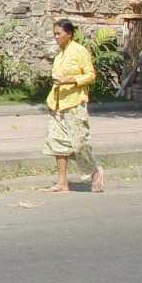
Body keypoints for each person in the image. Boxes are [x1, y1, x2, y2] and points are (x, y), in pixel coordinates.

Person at [43, 19, 104, 193]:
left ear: (69, 34)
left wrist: (71, 80)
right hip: (59, 104)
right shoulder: (60, 55)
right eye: (54, 34)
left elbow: (91, 75)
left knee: (79, 143)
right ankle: (62, 182)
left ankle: (94, 172)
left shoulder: (79, 51)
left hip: (75, 103)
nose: (56, 37)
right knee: (57, 142)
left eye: (59, 33)